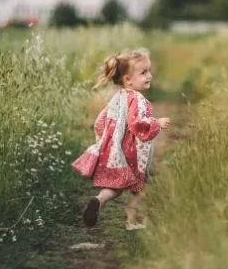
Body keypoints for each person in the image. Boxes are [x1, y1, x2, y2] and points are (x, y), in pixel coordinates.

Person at [73, 48, 171, 231]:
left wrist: (105, 142)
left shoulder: (117, 98)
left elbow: (101, 122)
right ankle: (132, 221)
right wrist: (156, 123)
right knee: (138, 187)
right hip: (132, 150)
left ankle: (98, 200)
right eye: (143, 72)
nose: (149, 76)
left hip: (118, 150)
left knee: (116, 188)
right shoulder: (137, 99)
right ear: (127, 79)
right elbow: (137, 124)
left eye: (149, 71)